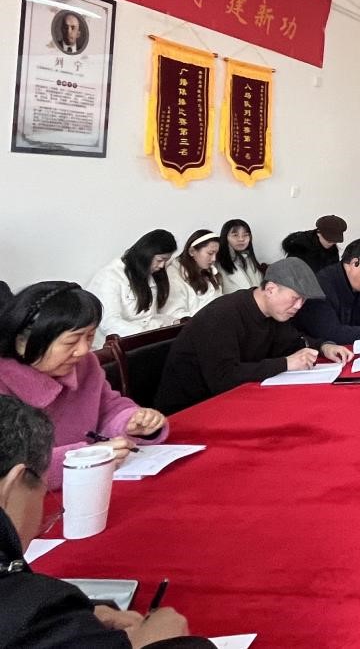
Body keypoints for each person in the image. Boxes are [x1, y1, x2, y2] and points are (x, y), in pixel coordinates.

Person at [0, 395, 209, 647]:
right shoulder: (30, 613)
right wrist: (165, 643)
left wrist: (74, 620)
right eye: (43, 491)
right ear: (13, 486)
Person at [0, 282, 169, 489]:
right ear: (22, 342)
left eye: (89, 337)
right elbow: (8, 471)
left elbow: (108, 407)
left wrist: (131, 422)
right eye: (71, 342)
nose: (83, 350)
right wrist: (85, 458)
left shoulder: (85, 364)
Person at [154, 258, 353, 415]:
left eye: (303, 300)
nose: (299, 306)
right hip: (190, 412)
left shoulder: (274, 313)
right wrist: (285, 363)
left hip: (234, 401)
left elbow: (294, 342)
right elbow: (223, 378)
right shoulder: (222, 315)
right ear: (270, 289)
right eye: (295, 298)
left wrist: (324, 347)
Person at [87, 229, 177, 344]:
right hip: (115, 345)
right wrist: (146, 334)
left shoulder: (147, 275)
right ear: (146, 253)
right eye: (160, 260)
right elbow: (109, 323)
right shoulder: (110, 277)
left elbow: (147, 318)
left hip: (141, 340)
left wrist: (172, 322)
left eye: (166, 261)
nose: (162, 266)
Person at [163, 230, 222, 322]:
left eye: (216, 254)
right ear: (192, 251)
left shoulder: (209, 271)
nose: (214, 259)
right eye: (210, 253)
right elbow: (174, 315)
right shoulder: (174, 275)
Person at [281, 215, 346, 274]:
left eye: (335, 242)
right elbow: (289, 274)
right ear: (318, 233)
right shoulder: (300, 248)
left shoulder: (333, 251)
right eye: (329, 240)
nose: (332, 244)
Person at [216, 218, 264, 294]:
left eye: (245, 235)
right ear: (225, 237)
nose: (241, 239)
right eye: (235, 235)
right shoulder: (217, 264)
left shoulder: (249, 260)